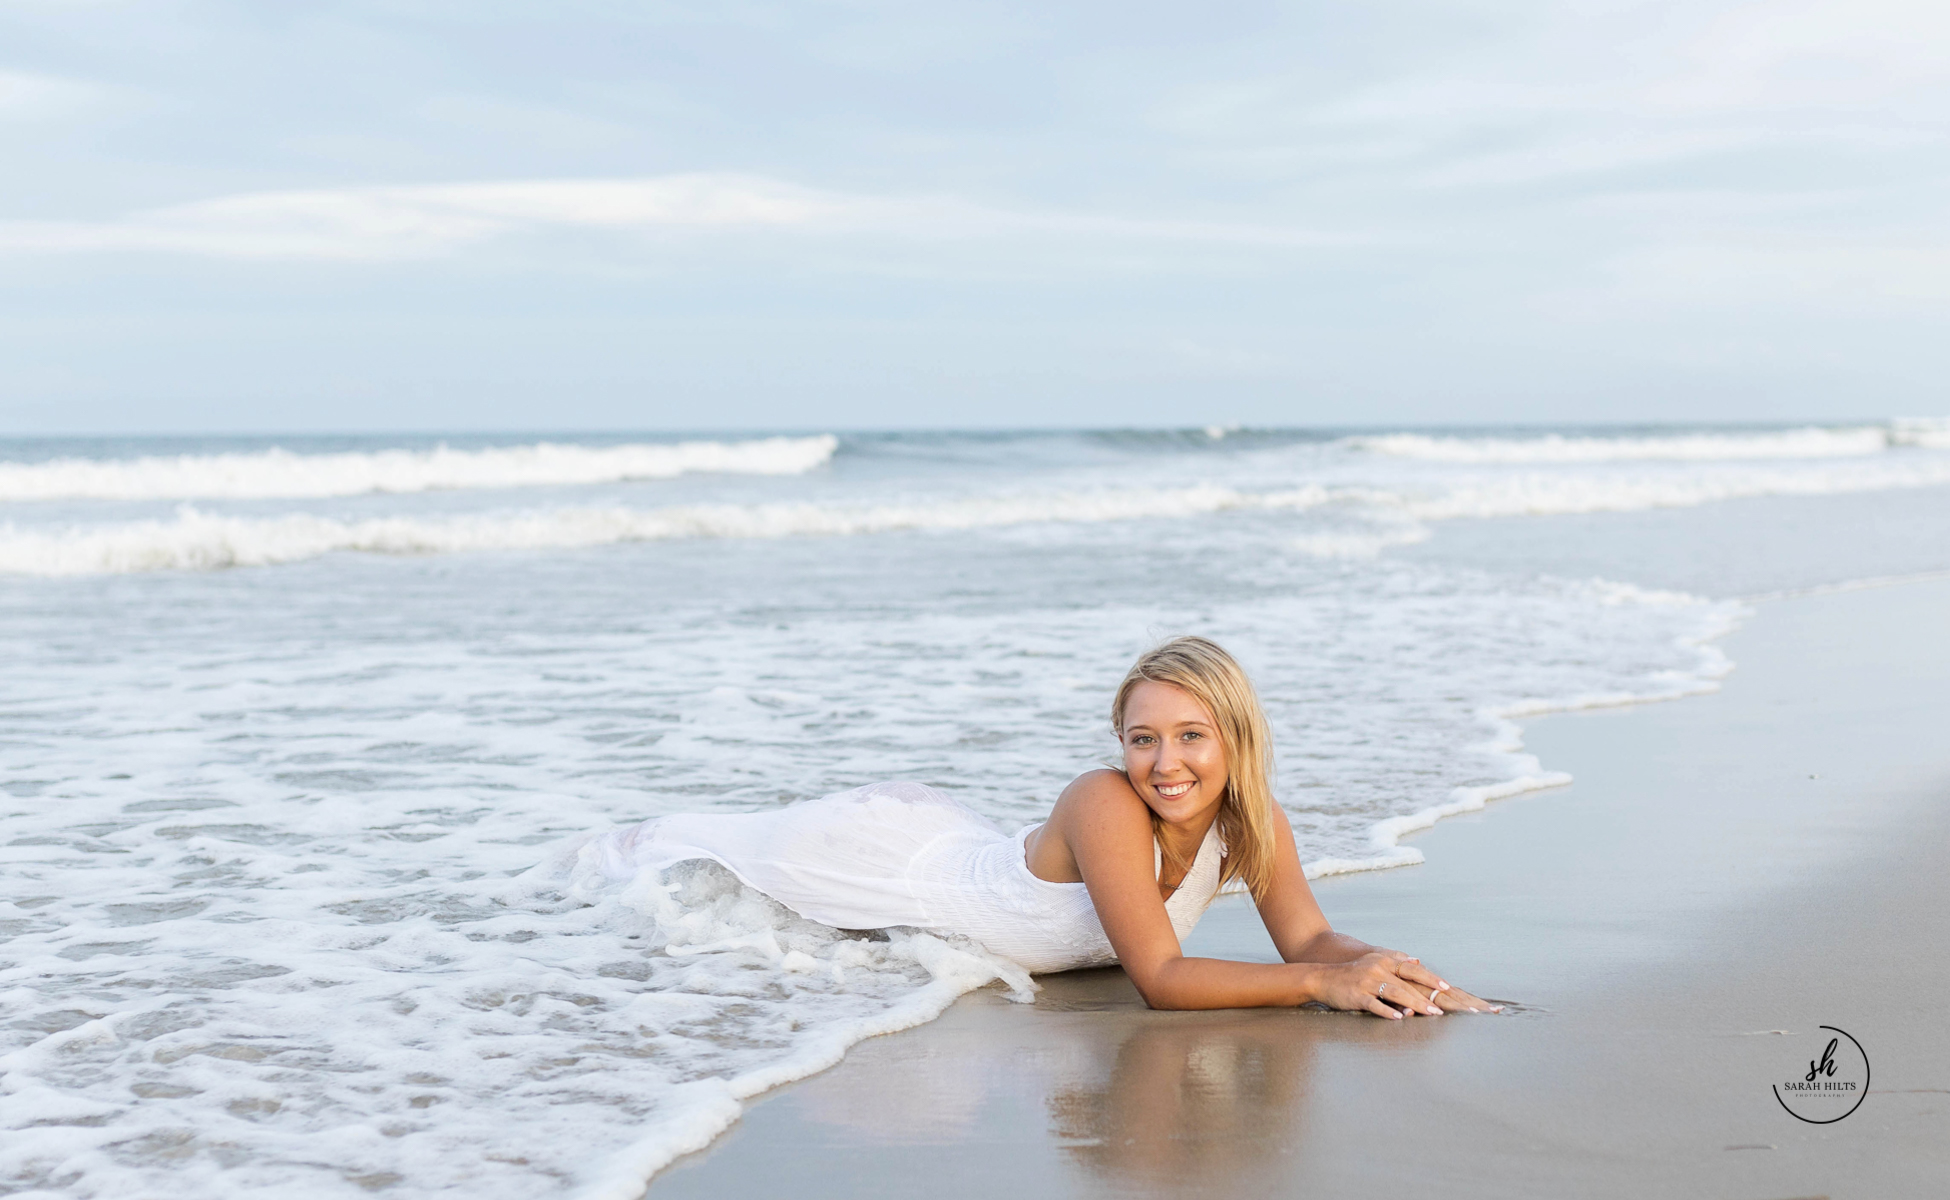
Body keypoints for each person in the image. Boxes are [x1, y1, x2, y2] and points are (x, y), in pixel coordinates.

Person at [583, 636, 1497, 1017]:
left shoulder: (1255, 824)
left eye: (1190, 736)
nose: (1165, 763)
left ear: (1238, 738)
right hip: (887, 854)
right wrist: (1319, 989)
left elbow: (1311, 934)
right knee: (690, 854)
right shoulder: (1105, 802)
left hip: (954, 850)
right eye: (1144, 738)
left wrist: (1394, 971)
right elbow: (1163, 981)